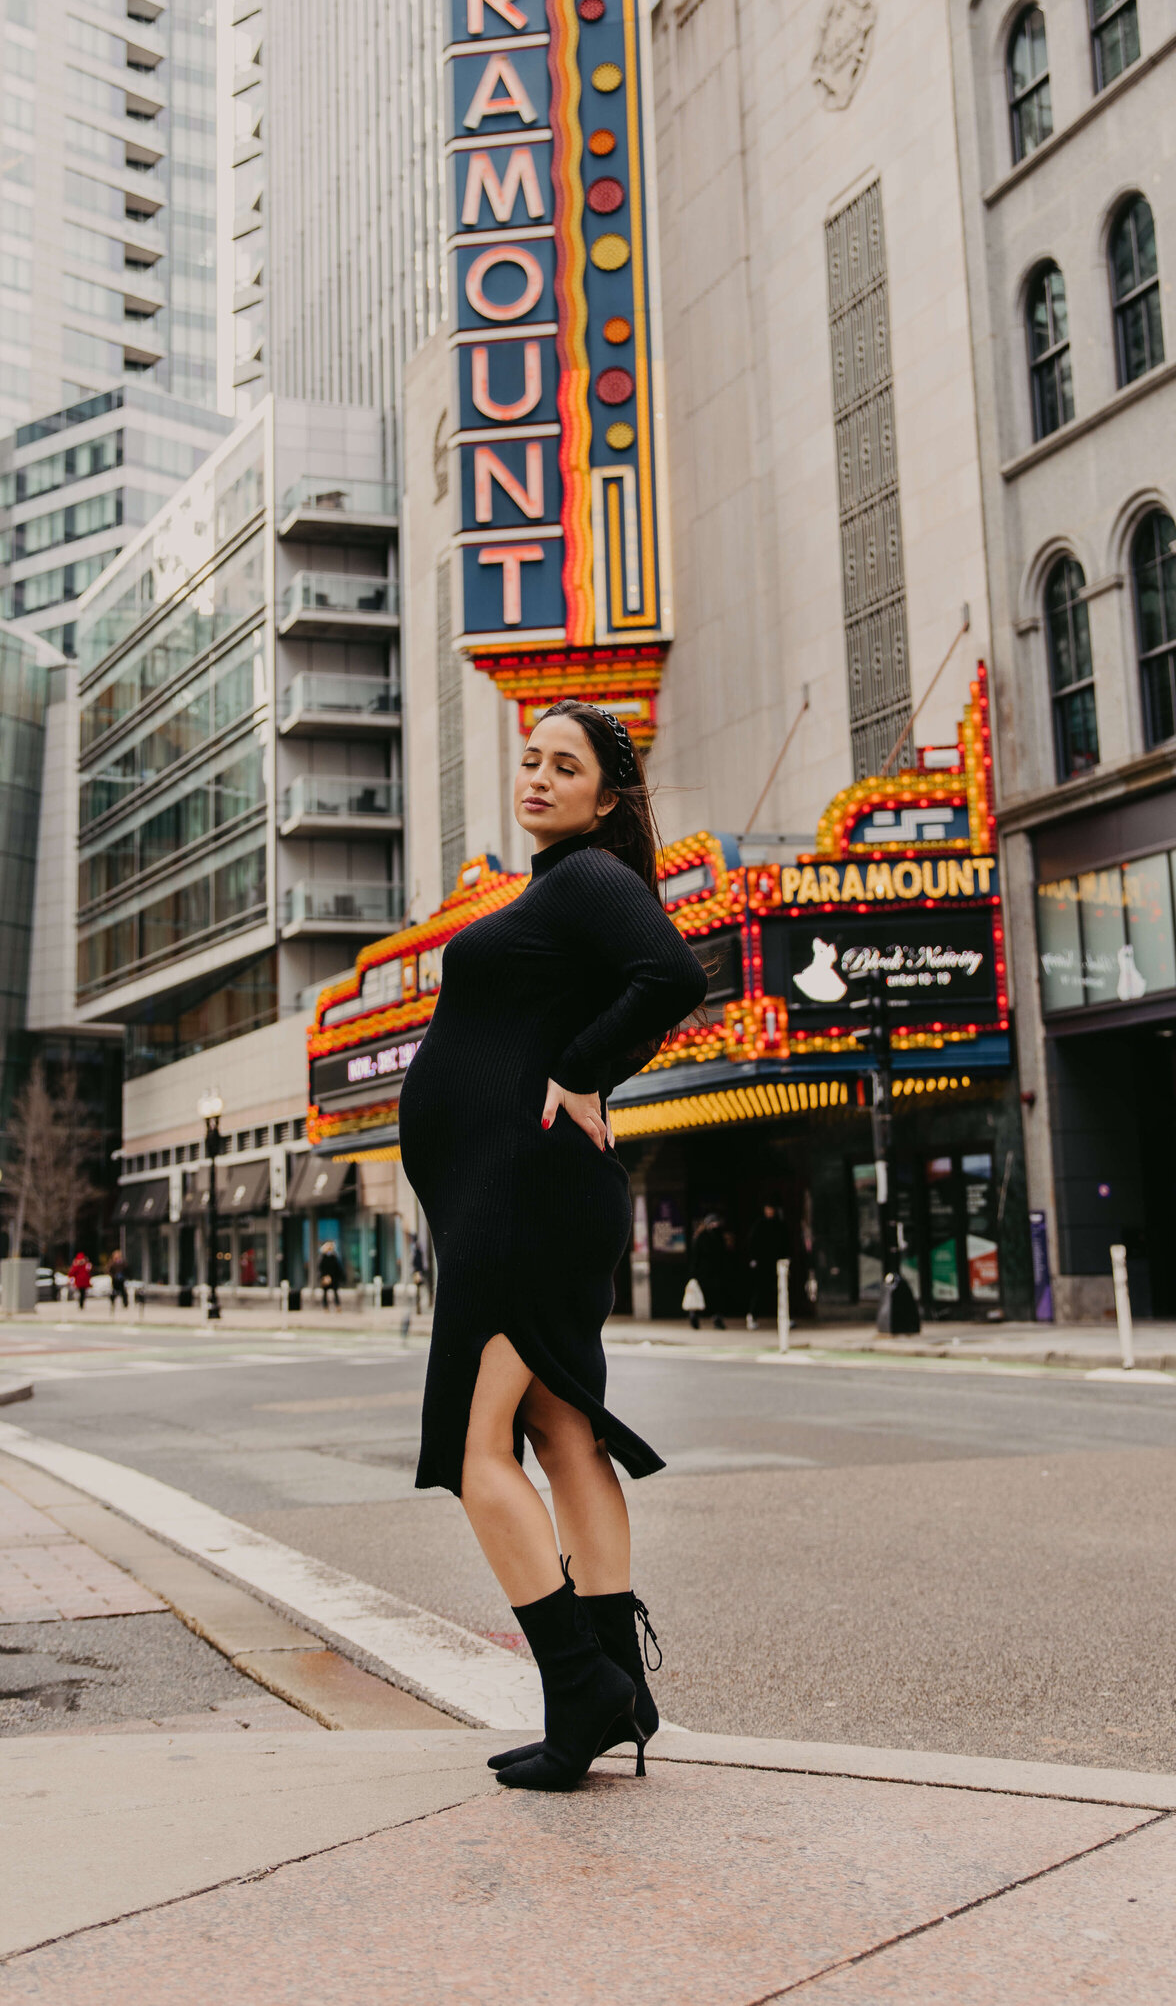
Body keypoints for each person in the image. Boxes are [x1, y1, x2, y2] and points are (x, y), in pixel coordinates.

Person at [398, 698, 705, 1794]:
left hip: (520, 1200)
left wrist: (581, 1072)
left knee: (479, 1450)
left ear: (605, 795)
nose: (535, 776)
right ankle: (614, 1684)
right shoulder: (558, 885)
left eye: (562, 765)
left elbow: (672, 977)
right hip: (520, 1194)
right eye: (529, 759)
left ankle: (578, 1684)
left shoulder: (586, 878)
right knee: (564, 1434)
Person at [744, 1202, 786, 1332]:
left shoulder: (778, 1224)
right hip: (762, 1264)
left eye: (771, 1209)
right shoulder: (760, 1225)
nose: (770, 1211)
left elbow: (783, 1242)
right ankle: (752, 1316)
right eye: (768, 1209)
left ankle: (784, 1317)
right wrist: (753, 1259)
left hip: (776, 1263)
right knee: (760, 1290)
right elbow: (752, 1242)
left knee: (781, 1290)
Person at [690, 1213, 731, 1331]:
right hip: (704, 1273)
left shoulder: (719, 1236)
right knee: (703, 1296)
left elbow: (723, 1255)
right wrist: (694, 1274)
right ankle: (695, 1315)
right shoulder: (701, 1237)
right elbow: (695, 1257)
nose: (715, 1226)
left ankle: (717, 1318)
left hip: (715, 1272)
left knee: (716, 1297)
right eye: (712, 1223)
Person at [108, 1248, 128, 1313]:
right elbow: (109, 1271)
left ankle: (125, 1304)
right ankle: (112, 1303)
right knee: (114, 1293)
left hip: (121, 1280)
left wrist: (124, 1276)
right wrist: (114, 1276)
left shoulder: (123, 1263)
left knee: (123, 1293)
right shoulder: (112, 1263)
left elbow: (126, 1269)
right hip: (115, 1281)